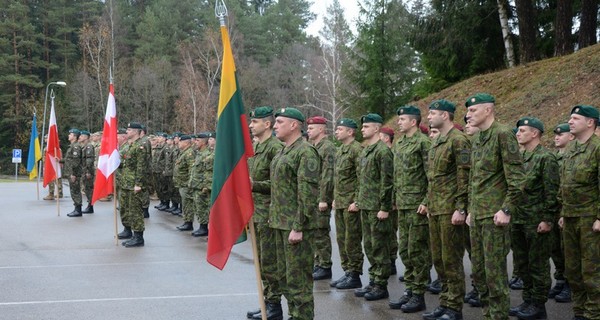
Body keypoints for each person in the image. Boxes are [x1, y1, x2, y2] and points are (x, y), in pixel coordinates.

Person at [465, 93, 525, 319]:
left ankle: (498, 316)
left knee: (494, 275)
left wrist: (506, 209)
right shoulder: (478, 138)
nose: (469, 115)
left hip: (494, 216)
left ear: (488, 110)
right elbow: (476, 178)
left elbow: (517, 178)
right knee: (478, 273)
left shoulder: (503, 134)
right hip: (478, 215)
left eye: (473, 110)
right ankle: (488, 314)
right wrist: (471, 209)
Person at [421, 99, 470, 320]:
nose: (429, 117)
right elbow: (433, 179)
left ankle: (454, 307)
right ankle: (444, 301)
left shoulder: (459, 141)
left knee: (451, 259)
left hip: (451, 209)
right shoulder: (437, 141)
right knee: (439, 259)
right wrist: (430, 204)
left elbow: (464, 176)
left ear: (446, 115)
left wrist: (461, 208)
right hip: (436, 208)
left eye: (433, 113)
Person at [269, 107, 320, 320]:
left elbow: (307, 194)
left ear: (294, 125)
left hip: (295, 228)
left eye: (279, 122)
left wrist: (298, 226)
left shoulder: (305, 151)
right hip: (280, 225)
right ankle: (295, 315)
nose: (274, 125)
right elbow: (280, 187)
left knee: (298, 281)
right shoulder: (283, 150)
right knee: (285, 280)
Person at [509, 117, 559, 319]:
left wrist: (547, 219)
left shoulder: (546, 157)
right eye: (518, 131)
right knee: (522, 264)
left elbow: (552, 191)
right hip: (518, 219)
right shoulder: (518, 156)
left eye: (522, 130)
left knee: (538, 264)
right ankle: (527, 300)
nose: (518, 134)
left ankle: (538, 305)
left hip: (536, 220)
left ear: (535, 133)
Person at [389, 106, 431, 313]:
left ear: (413, 122)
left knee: (417, 251)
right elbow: (397, 175)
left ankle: (418, 294)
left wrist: (427, 200)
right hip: (403, 204)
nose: (399, 122)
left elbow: (431, 175)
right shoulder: (400, 143)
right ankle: (410, 289)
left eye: (402, 119)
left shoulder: (423, 143)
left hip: (417, 206)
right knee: (405, 249)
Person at [559, 105, 600, 320]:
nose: (570, 121)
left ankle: (594, 313)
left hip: (589, 218)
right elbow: (565, 184)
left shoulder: (598, 148)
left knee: (592, 270)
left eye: (575, 118)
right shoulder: (572, 148)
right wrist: (562, 212)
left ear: (590, 122)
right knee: (573, 270)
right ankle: (580, 311)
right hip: (571, 216)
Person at [246, 106, 284, 320]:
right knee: (261, 260)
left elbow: (279, 183)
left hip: (269, 212)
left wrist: (253, 185)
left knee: (269, 262)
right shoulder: (255, 146)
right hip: (256, 212)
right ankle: (266, 301)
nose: (251, 126)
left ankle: (274, 306)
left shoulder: (274, 147)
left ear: (267, 124)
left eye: (255, 122)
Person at [352, 113, 393, 302]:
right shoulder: (366, 150)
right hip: (366, 206)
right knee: (369, 246)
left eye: (366, 126)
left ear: (376, 129)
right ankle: (374, 279)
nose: (362, 129)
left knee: (379, 247)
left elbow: (387, 181)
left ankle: (381, 285)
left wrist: (385, 207)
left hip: (377, 207)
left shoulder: (382, 151)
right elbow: (362, 180)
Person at [329, 118, 364, 290]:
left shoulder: (357, 150)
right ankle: (348, 271)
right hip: (341, 201)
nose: (336, 132)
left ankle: (355, 274)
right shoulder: (340, 150)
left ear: (350, 132)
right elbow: (339, 178)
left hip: (351, 203)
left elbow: (361, 177)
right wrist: (335, 197)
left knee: (352, 239)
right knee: (342, 239)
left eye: (340, 129)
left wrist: (357, 201)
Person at [306, 116, 335, 281]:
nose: (308, 130)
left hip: (320, 197)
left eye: (311, 128)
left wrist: (324, 198)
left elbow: (328, 174)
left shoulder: (328, 147)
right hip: (312, 197)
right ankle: (318, 263)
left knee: (321, 232)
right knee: (314, 232)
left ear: (321, 129)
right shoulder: (313, 146)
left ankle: (325, 265)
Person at [548, 123, 573, 303]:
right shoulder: (554, 158)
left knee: (568, 249)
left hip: (568, 209)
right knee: (555, 247)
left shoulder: (572, 157)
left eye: (560, 135)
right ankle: (561, 278)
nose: (556, 137)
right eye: (555, 135)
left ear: (570, 137)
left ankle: (571, 284)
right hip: (554, 209)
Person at [118, 122, 148, 247]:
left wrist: (138, 184)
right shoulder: (129, 146)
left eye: (129, 130)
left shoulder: (140, 146)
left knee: (135, 210)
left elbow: (142, 167)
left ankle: (138, 237)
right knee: (125, 208)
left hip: (134, 184)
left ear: (136, 131)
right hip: (125, 183)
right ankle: (127, 230)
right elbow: (122, 163)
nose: (127, 132)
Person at [378, 126, 398, 275]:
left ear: (385, 138)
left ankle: (391, 260)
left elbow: (392, 179)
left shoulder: (391, 154)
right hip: (386, 199)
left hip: (393, 199)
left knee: (390, 231)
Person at [174, 134, 196, 231]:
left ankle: (188, 223)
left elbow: (191, 169)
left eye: (181, 141)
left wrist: (189, 183)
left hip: (186, 183)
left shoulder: (189, 153)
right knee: (185, 203)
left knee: (187, 204)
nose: (178, 143)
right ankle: (186, 221)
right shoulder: (184, 152)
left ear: (186, 142)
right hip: (182, 183)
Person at [64, 129, 83, 217]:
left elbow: (76, 161)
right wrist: (60, 160)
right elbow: (69, 160)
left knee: (75, 191)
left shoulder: (76, 147)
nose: (69, 136)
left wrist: (73, 174)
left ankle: (78, 210)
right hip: (71, 172)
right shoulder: (72, 146)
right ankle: (76, 208)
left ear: (75, 136)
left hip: (74, 173)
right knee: (73, 191)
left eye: (70, 134)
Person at [78, 130, 95, 214]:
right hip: (84, 170)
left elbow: (89, 160)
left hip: (88, 171)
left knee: (89, 189)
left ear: (86, 137)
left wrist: (88, 172)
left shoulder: (89, 147)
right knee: (86, 189)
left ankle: (90, 206)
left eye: (81, 136)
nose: (80, 137)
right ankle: (89, 205)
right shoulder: (84, 147)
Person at [43, 134, 63, 200]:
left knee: (57, 179)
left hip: (54, 165)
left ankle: (58, 193)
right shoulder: (46, 148)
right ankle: (51, 193)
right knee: (50, 180)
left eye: (47, 138)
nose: (45, 140)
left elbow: (60, 157)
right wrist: (44, 166)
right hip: (48, 165)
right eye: (45, 139)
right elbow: (44, 158)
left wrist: (60, 164)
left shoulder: (56, 148)